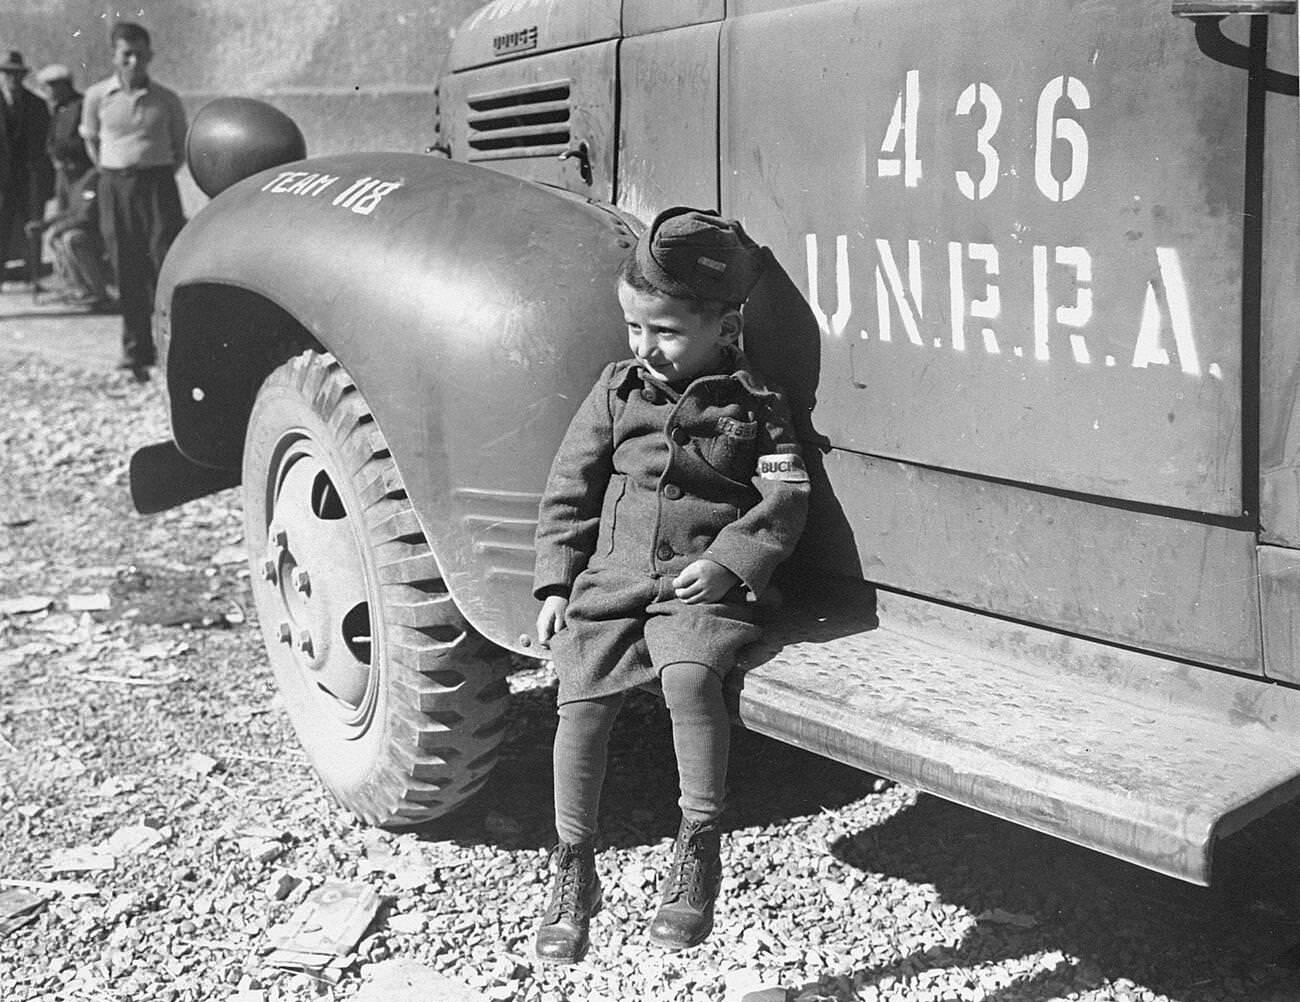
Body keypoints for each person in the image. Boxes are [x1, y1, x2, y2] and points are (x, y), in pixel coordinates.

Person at [530, 207, 810, 964]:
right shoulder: (618, 391)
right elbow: (570, 487)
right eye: (633, 330)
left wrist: (727, 562)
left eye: (664, 331)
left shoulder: (754, 403)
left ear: (724, 326)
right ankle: (573, 866)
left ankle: (697, 846)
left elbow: (786, 500)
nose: (644, 348)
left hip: (697, 588)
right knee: (579, 701)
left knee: (691, 680)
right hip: (613, 579)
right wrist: (554, 584)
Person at [80, 21, 186, 380]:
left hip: (158, 186)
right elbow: (92, 143)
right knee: (126, 266)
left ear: (150, 55)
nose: (134, 61)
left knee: (164, 261)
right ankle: (135, 350)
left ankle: (171, 350)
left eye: (140, 54)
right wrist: (116, 173)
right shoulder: (97, 97)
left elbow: (178, 147)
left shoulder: (167, 99)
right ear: (114, 57)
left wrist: (150, 171)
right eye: (126, 54)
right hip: (116, 187)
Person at [24, 167, 111, 310]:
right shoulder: (68, 180)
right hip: (85, 231)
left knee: (72, 239)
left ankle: (97, 290)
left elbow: (86, 215)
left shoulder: (91, 178)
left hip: (98, 234)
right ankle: (79, 287)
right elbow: (70, 211)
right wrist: (44, 224)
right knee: (61, 239)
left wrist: (59, 228)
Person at [0, 50, 52, 277]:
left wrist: (44, 180)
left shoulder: (37, 105)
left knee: (33, 228)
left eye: (17, 74)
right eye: (8, 74)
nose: (13, 78)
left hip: (28, 179)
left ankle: (34, 274)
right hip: (1, 182)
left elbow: (45, 145)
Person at [35, 64, 91, 214]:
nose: (46, 90)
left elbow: (85, 139)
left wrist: (64, 150)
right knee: (61, 212)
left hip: (80, 172)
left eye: (50, 85)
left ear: (64, 85)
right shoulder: (59, 109)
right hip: (62, 173)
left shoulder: (81, 105)